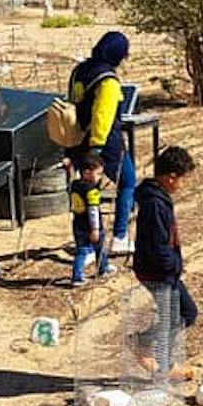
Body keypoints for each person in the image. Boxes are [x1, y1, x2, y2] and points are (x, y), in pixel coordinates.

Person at [68, 30, 136, 267]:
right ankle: (120, 236)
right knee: (127, 182)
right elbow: (103, 116)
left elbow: (74, 102)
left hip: (78, 141)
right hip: (104, 144)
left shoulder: (80, 71)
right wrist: (96, 149)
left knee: (86, 194)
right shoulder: (107, 80)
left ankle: (84, 247)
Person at [133, 146, 198, 378]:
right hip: (157, 272)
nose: (183, 185)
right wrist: (172, 265)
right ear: (171, 177)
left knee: (186, 313)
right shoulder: (155, 204)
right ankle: (165, 366)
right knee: (173, 318)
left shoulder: (157, 199)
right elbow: (159, 245)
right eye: (182, 179)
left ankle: (142, 342)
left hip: (164, 271)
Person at [68, 152, 107, 288]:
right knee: (96, 247)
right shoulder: (91, 191)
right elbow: (93, 210)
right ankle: (78, 276)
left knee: (82, 249)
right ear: (87, 173)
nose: (100, 177)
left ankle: (103, 268)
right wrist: (95, 228)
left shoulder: (75, 185)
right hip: (90, 225)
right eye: (98, 173)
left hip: (78, 223)